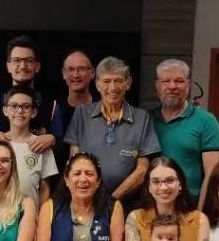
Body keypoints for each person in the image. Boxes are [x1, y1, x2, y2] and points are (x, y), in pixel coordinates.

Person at [65, 56, 160, 209]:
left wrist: (112, 201)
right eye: (106, 81)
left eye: (118, 81)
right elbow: (73, 163)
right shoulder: (82, 114)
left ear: (128, 83)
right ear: (97, 85)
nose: (113, 87)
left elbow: (142, 170)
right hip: (86, 204)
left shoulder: (142, 118)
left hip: (127, 206)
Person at [150, 59, 219, 208]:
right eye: (166, 81)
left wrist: (200, 213)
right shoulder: (146, 120)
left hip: (189, 207)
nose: (172, 86)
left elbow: (212, 174)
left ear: (188, 85)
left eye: (179, 81)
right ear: (157, 86)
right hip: (151, 207)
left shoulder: (206, 121)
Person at [0, 35, 65, 164]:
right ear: (8, 66)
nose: (22, 66)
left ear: (37, 66)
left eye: (28, 61)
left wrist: (53, 140)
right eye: (16, 60)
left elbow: (61, 148)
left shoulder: (52, 107)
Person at [1, 85, 59, 206]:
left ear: (34, 112)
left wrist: (40, 214)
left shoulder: (41, 145)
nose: (19, 111)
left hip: (31, 213)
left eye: (26, 107)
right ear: (5, 110)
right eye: (14, 106)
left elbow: (44, 188)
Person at [61, 49, 95, 125]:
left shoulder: (104, 109)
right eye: (70, 69)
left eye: (81, 69)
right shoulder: (56, 111)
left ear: (92, 73)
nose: (75, 75)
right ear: (63, 74)